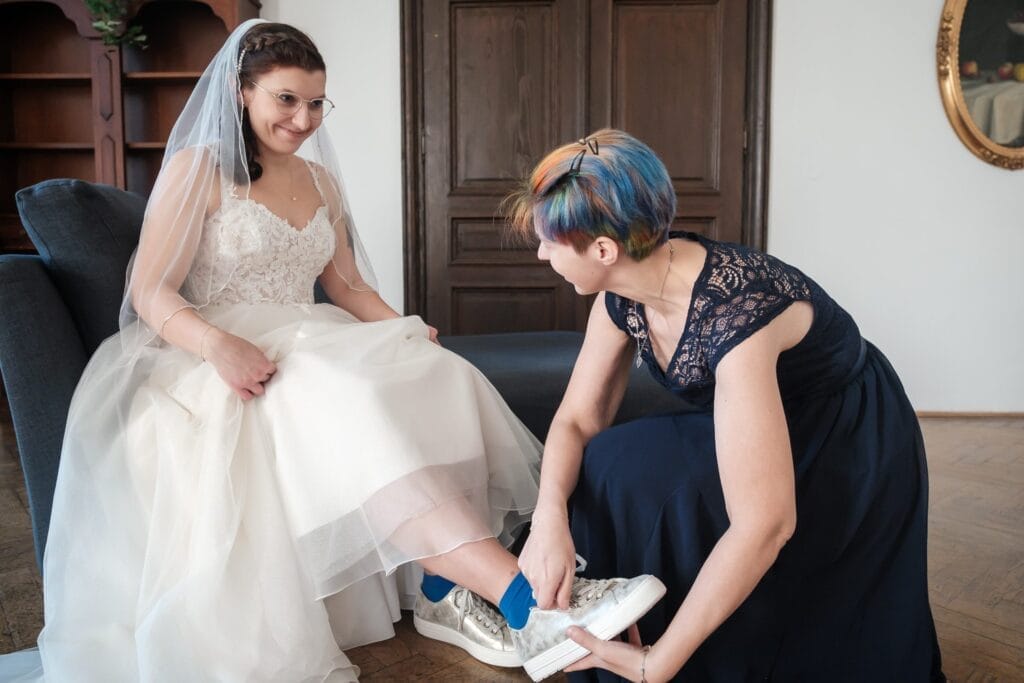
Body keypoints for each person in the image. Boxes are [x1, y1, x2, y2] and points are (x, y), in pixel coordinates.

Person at [7, 23, 663, 683]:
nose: (303, 119)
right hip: (220, 350)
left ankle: (445, 589)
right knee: (340, 393)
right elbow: (149, 289)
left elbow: (345, 284)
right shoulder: (198, 170)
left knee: (442, 373)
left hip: (310, 332)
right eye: (286, 100)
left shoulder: (318, 180)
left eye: (316, 103)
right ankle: (528, 601)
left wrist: (408, 327)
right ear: (242, 93)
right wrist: (217, 345)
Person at [508, 129, 946, 682]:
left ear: (603, 250)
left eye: (549, 241)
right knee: (610, 460)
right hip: (766, 409)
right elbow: (577, 419)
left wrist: (657, 665)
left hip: (843, 437)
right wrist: (549, 517)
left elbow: (767, 522)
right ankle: (596, 626)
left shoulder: (737, 320)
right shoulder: (624, 291)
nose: (543, 252)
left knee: (686, 493)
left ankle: (672, 651)